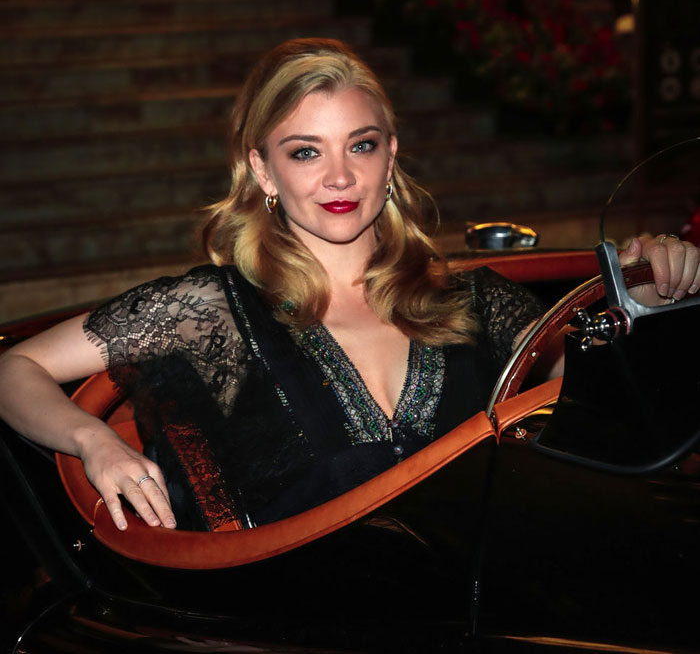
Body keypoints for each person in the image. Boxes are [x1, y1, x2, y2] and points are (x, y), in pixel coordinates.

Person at [0, 39, 698, 533]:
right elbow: (15, 367)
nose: (339, 177)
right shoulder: (208, 311)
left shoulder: (478, 303)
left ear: (389, 157)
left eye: (360, 145)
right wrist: (93, 441)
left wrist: (654, 298)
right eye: (306, 151)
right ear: (263, 171)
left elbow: (617, 418)